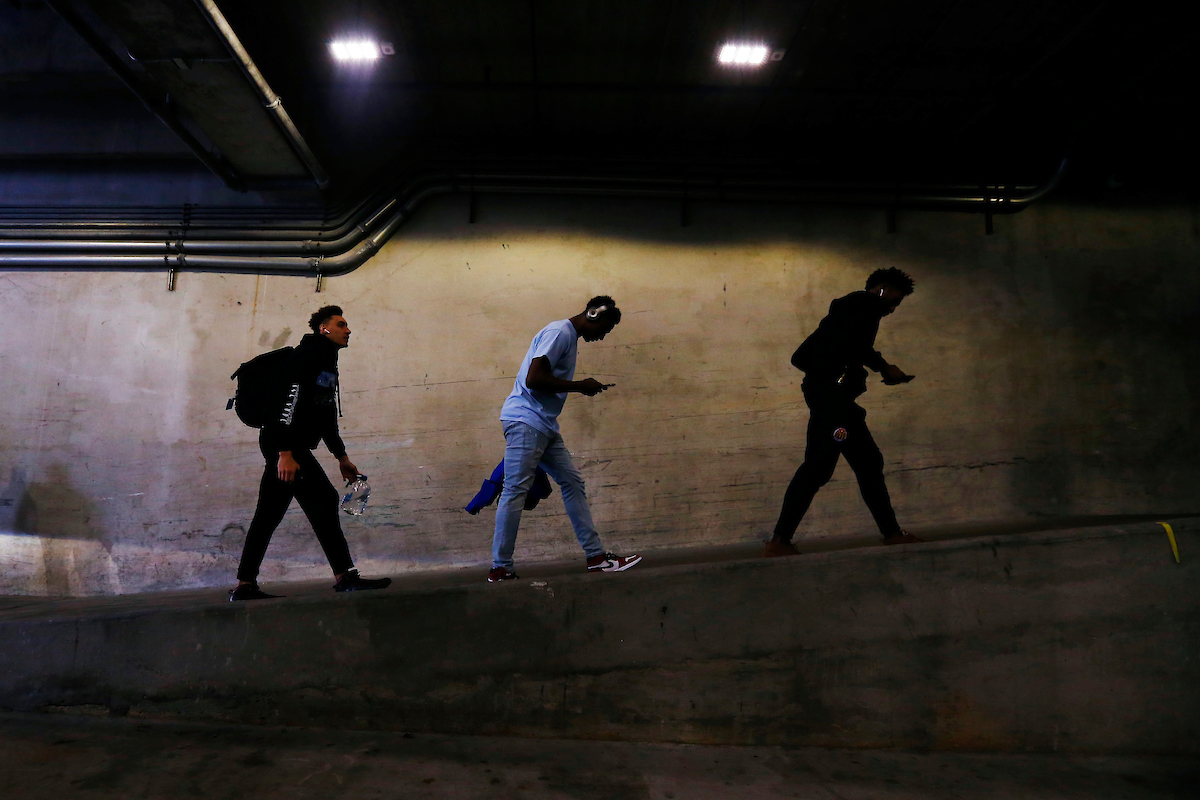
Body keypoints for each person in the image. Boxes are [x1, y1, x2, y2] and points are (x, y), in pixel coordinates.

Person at [229, 306, 392, 600]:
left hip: (290, 445)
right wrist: (284, 452)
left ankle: (245, 584)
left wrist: (341, 456)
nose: (348, 330)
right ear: (324, 329)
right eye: (341, 324)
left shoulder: (327, 360)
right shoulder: (306, 356)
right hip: (286, 444)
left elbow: (325, 413)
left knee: (269, 513)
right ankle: (345, 576)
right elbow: (285, 402)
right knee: (322, 501)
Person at [765, 268, 921, 557]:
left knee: (861, 463)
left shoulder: (854, 309)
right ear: (883, 290)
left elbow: (849, 345)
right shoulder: (863, 305)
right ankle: (779, 542)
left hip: (834, 400)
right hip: (834, 402)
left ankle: (890, 534)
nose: (893, 309)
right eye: (895, 301)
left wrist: (878, 366)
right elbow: (853, 345)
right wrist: (882, 366)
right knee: (823, 468)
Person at [488, 296, 642, 582]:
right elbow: (534, 378)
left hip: (543, 424)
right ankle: (500, 567)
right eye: (604, 329)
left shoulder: (569, 338)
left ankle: (596, 557)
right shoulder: (560, 332)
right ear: (592, 314)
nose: (602, 336)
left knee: (571, 482)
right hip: (526, 420)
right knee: (515, 490)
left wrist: (577, 387)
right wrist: (579, 386)